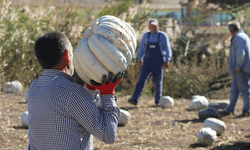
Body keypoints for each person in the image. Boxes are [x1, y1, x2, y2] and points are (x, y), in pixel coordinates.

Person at [27, 31, 123, 149]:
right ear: (67, 55)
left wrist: (90, 89)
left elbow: (70, 115)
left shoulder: (34, 88)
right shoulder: (72, 92)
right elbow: (108, 135)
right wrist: (108, 94)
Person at [128, 18, 172, 106]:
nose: (153, 28)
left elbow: (167, 49)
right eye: (151, 26)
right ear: (149, 27)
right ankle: (135, 99)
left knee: (158, 83)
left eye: (155, 26)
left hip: (158, 63)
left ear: (158, 26)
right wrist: (139, 58)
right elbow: (142, 48)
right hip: (147, 62)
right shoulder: (146, 36)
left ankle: (158, 102)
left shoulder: (163, 36)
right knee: (141, 80)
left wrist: (167, 60)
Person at [220, 21, 250, 118]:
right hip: (240, 69)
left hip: (241, 69)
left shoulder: (239, 38)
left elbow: (240, 54)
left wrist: (238, 67)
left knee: (245, 91)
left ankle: (247, 110)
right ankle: (230, 109)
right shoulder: (242, 36)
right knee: (234, 90)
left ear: (231, 30)